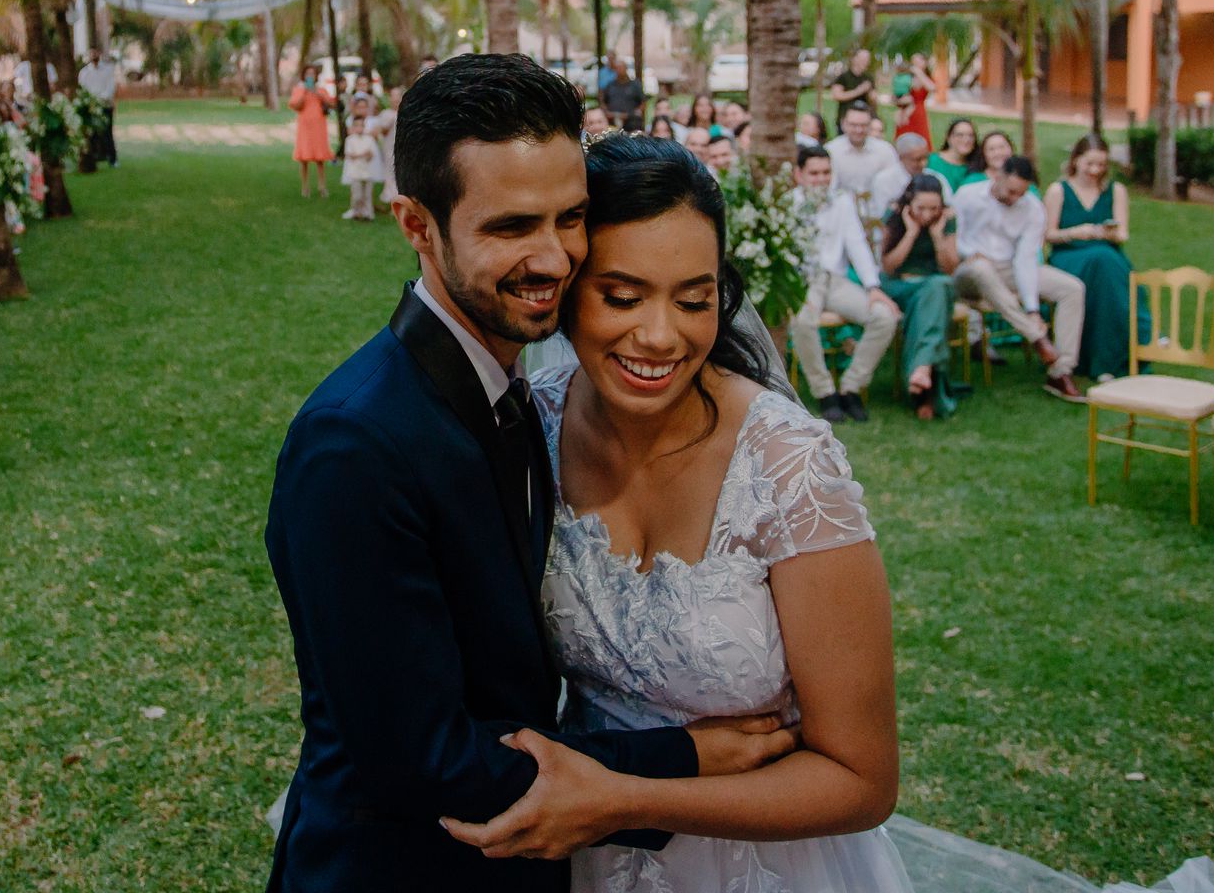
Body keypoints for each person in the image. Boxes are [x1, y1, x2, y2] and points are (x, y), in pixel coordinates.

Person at [266, 54, 789, 893]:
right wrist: (682, 757)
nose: (554, 259)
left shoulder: (524, 394)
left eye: (570, 219)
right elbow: (421, 759)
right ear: (416, 224)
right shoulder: (355, 445)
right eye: (510, 228)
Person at [443, 132, 906, 891]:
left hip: (757, 859)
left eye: (694, 300)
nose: (661, 336)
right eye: (621, 297)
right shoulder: (529, 432)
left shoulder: (789, 468)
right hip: (575, 856)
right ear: (563, 291)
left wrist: (625, 799)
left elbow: (862, 779)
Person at [951, 156, 1085, 401]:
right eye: (1011, 191)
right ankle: (1037, 338)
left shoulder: (1032, 207)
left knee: (1072, 288)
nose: (1015, 199)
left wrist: (1032, 308)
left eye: (1020, 194)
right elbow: (951, 238)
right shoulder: (967, 195)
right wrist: (968, 253)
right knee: (981, 268)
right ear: (999, 175)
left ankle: (1060, 371)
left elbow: (1025, 259)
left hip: (1007, 268)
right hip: (967, 269)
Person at [788, 147, 899, 424]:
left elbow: (857, 243)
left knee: (884, 317)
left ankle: (851, 387)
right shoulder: (788, 203)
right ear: (799, 175)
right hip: (804, 281)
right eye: (814, 173)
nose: (821, 179)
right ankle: (825, 392)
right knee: (802, 321)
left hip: (836, 281)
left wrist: (873, 286)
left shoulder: (842, 201)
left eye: (826, 173)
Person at [1046, 133, 1148, 381]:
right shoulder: (1058, 190)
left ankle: (1110, 359)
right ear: (1076, 160)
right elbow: (1049, 235)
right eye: (1089, 164)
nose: (1095, 170)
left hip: (1106, 255)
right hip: (1069, 256)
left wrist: (1106, 232)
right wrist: (1077, 232)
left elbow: (1123, 233)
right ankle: (1095, 359)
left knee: (1107, 266)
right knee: (1103, 262)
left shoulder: (1116, 190)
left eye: (1101, 165)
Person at [879, 174, 960, 419]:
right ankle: (926, 381)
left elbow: (950, 268)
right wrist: (911, 233)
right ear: (909, 204)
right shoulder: (894, 218)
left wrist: (937, 236)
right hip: (900, 286)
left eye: (933, 209)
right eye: (921, 208)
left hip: (933, 289)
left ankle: (921, 374)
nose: (927, 215)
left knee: (937, 290)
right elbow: (889, 267)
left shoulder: (946, 221)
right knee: (936, 294)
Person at [824, 102, 899, 201]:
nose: (859, 130)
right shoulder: (831, 150)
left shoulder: (885, 150)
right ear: (843, 124)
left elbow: (895, 182)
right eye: (853, 125)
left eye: (864, 125)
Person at [289, 63, 336, 199]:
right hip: (305, 127)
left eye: (312, 73)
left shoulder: (321, 90)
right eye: (307, 73)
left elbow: (331, 103)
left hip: (319, 126)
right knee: (304, 158)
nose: (310, 76)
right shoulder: (299, 89)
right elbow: (295, 106)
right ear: (303, 76)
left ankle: (322, 186)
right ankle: (305, 187)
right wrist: (305, 93)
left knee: (320, 158)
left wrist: (317, 94)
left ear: (316, 76)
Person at [868, 132, 944, 215]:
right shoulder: (883, 181)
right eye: (917, 159)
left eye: (926, 158)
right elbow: (881, 214)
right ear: (901, 157)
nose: (923, 163)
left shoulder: (936, 177)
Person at [78, 46, 120, 167]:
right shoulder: (84, 72)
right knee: (92, 134)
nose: (93, 55)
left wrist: (100, 99)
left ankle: (112, 159)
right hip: (90, 107)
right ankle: (93, 159)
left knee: (107, 133)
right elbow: (83, 90)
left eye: (95, 53)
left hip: (105, 106)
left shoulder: (107, 70)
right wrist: (91, 101)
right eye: (91, 53)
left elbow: (111, 88)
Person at [340, 98, 380, 221]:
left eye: (361, 125)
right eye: (356, 125)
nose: (359, 128)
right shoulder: (350, 140)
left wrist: (364, 155)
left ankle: (368, 213)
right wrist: (361, 154)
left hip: (367, 171)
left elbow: (371, 154)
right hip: (355, 172)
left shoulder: (369, 139)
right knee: (357, 195)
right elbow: (349, 155)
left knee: (367, 194)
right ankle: (356, 211)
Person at [929, 119, 979, 192]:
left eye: (971, 135)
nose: (966, 139)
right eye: (960, 135)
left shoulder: (976, 167)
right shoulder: (931, 160)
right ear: (949, 138)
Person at [371, 87, 402, 204]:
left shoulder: (405, 113)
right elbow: (380, 131)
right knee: (390, 171)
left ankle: (398, 196)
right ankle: (391, 196)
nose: (395, 99)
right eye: (393, 96)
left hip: (403, 148)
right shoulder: (386, 114)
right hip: (389, 147)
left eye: (397, 96)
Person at [599, 54, 645, 130]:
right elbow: (603, 101)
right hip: (613, 121)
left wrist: (634, 113)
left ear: (626, 68)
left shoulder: (635, 85)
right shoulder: (610, 85)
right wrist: (606, 112)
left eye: (621, 68)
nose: (619, 70)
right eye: (617, 68)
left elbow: (643, 103)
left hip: (631, 122)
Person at [895, 55, 935, 140]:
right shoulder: (905, 78)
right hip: (905, 113)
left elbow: (932, 88)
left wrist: (918, 72)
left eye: (918, 62)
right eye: (914, 62)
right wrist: (900, 102)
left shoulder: (926, 78)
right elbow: (895, 95)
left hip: (919, 112)